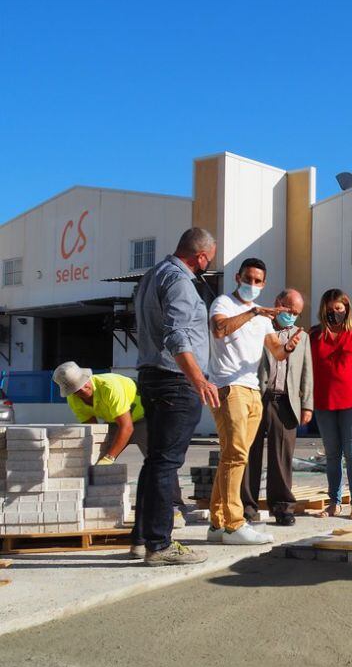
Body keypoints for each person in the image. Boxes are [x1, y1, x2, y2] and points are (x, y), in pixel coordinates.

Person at [134, 227, 220, 566]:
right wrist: (197, 378)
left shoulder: (152, 275)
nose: (207, 267)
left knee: (155, 461)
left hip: (152, 376)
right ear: (200, 256)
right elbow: (177, 334)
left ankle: (142, 539)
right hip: (175, 380)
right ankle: (159, 544)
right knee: (167, 463)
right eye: (207, 261)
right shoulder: (181, 282)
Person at [207, 258, 303, 545]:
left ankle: (217, 522)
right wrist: (254, 311)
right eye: (248, 279)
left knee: (234, 456)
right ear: (238, 277)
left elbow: (277, 351)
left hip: (252, 389)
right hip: (228, 386)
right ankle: (235, 524)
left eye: (258, 281)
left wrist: (289, 345)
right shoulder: (224, 303)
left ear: (264, 283)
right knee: (236, 454)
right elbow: (220, 330)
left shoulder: (262, 318)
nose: (252, 285)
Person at [52, 362, 184, 557]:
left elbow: (128, 428)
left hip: (142, 418)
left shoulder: (109, 387)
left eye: (85, 385)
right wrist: (97, 457)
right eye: (78, 390)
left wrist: (110, 456)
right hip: (114, 420)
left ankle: (174, 507)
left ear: (88, 379)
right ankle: (96, 504)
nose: (84, 391)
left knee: (159, 462)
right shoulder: (75, 399)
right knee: (97, 459)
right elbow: (92, 429)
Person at [241, 289, 313, 526]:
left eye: (296, 313)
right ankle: (246, 506)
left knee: (282, 456)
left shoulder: (301, 337)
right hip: (257, 396)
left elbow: (306, 373)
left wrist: (307, 405)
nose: (292, 316)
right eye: (289, 310)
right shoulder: (259, 326)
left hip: (285, 401)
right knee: (250, 454)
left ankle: (282, 507)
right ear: (277, 303)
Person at [309, 289, 352, 521]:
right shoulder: (315, 335)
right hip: (323, 403)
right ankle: (333, 502)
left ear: (346, 308)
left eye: (339, 308)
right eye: (330, 309)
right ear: (323, 309)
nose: (334, 313)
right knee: (332, 455)